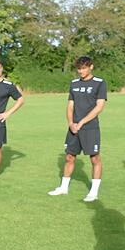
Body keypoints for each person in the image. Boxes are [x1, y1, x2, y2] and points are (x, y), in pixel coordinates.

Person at [48, 56, 107, 202]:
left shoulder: (99, 83)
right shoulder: (74, 84)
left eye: (84, 68)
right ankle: (63, 188)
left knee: (94, 158)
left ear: (91, 67)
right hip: (73, 128)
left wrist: (81, 122)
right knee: (69, 157)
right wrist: (71, 123)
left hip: (90, 128)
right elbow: (70, 106)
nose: (81, 71)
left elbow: (99, 107)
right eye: (79, 69)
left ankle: (93, 192)